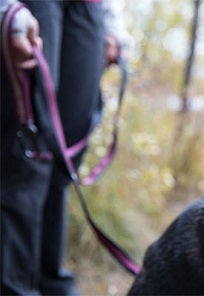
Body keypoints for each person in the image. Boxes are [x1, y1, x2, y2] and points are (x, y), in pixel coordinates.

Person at [0, 0, 130, 294]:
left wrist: (113, 28)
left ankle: (51, 281)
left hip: (90, 7)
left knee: (64, 159)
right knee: (27, 157)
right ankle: (15, 287)